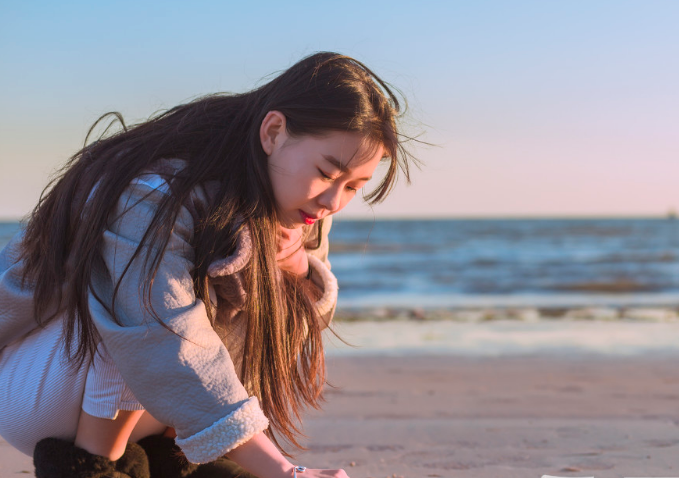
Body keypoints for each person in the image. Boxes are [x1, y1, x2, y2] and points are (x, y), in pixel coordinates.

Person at [0, 52, 415, 478]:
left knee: (251, 292)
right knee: (143, 302)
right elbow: (158, 335)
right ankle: (94, 465)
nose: (333, 201)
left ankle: (173, 460)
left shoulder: (301, 209)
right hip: (37, 386)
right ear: (273, 131)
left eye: (353, 187)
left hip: (142, 396)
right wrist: (285, 472)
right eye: (328, 173)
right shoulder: (155, 191)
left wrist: (293, 264)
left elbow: (293, 329)